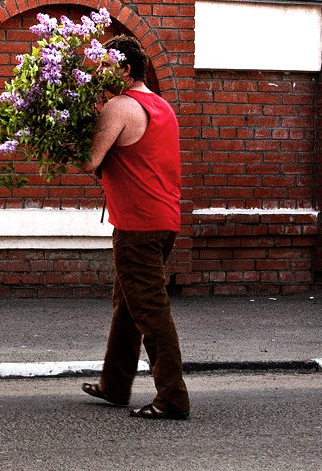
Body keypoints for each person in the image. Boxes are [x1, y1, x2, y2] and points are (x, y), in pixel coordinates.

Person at [80, 35, 190, 420]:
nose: (98, 72)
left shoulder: (120, 106)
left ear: (124, 70)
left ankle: (172, 398)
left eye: (105, 65)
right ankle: (114, 384)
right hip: (163, 221)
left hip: (138, 228)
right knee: (128, 305)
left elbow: (90, 161)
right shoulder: (161, 106)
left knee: (150, 312)